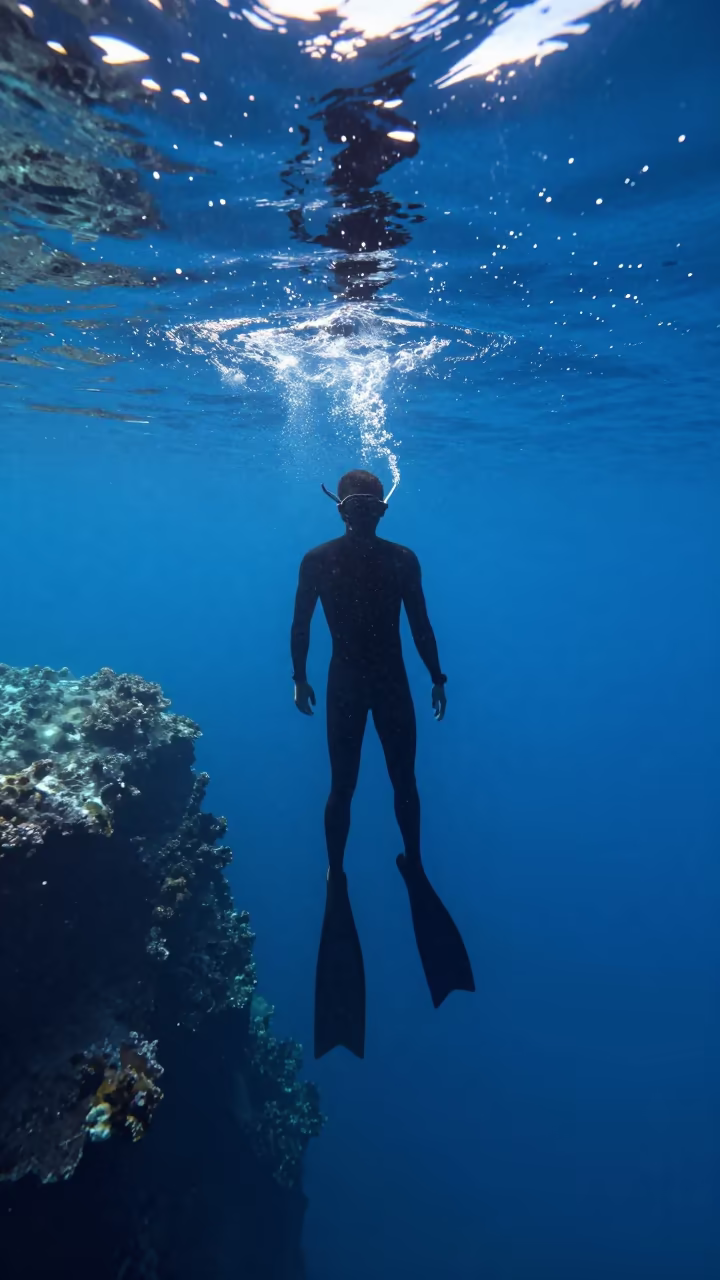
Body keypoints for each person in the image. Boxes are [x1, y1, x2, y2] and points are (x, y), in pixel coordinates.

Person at [291, 469, 474, 1059]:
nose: (365, 515)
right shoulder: (400, 559)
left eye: (364, 507)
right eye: (365, 507)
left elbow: (301, 629)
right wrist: (436, 677)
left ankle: (336, 873)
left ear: (341, 510)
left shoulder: (319, 559)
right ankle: (410, 862)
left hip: (349, 682)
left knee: (345, 787)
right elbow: (420, 627)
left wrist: (298, 678)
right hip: (387, 682)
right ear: (372, 510)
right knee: (398, 784)